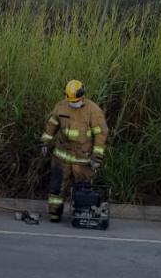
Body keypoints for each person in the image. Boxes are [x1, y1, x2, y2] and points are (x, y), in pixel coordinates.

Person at [40, 80, 109, 222]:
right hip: (61, 156)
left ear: (83, 96)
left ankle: (81, 214)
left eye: (76, 100)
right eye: (71, 100)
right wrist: (45, 142)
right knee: (56, 187)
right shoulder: (61, 107)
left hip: (82, 159)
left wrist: (96, 157)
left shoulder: (93, 110)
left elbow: (101, 134)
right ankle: (54, 213)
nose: (73, 103)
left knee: (82, 189)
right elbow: (52, 124)